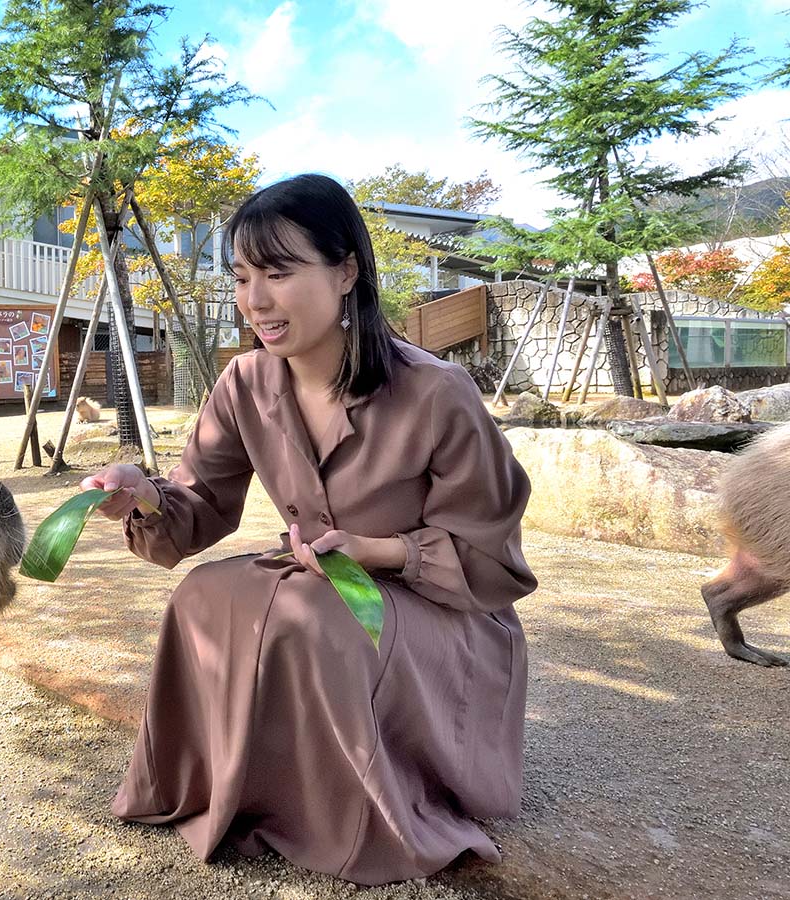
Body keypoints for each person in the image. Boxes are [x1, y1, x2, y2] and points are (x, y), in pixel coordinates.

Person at [81, 174, 537, 885]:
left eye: (279, 272)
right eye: (240, 276)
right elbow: (195, 510)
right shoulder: (244, 385)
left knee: (314, 616)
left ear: (347, 270)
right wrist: (142, 497)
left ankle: (359, 808)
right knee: (203, 595)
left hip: (441, 613)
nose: (255, 300)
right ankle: (238, 788)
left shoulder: (436, 393)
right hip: (322, 581)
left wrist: (375, 551)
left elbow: (491, 561)